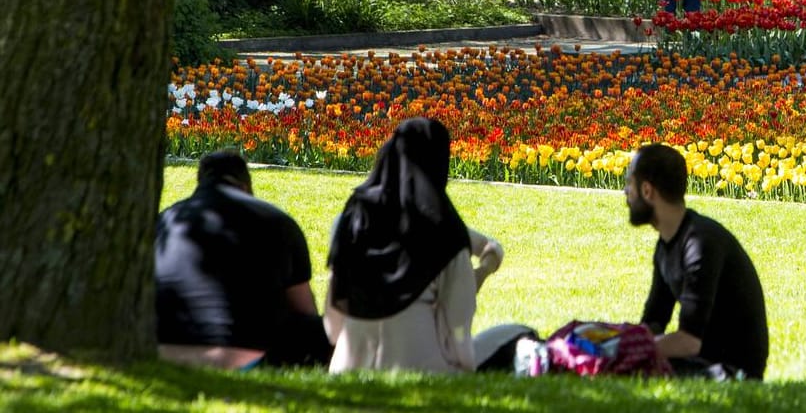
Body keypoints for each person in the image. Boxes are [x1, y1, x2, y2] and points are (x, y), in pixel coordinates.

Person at [326, 118, 532, 373]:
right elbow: (459, 336)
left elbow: (333, 328)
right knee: (520, 333)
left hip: (345, 365)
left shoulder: (350, 221)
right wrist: (483, 271)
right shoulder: (445, 233)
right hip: (424, 368)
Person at [154, 150, 332, 369]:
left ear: (200, 183)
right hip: (247, 354)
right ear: (246, 185)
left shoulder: (165, 220)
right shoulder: (278, 222)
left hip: (164, 348)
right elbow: (304, 309)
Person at [627, 143, 769, 380]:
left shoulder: (700, 243)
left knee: (632, 368)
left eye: (629, 184)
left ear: (647, 190)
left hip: (730, 370)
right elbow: (653, 322)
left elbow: (689, 341)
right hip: (702, 359)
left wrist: (626, 352)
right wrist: (611, 339)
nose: (625, 193)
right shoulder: (666, 245)